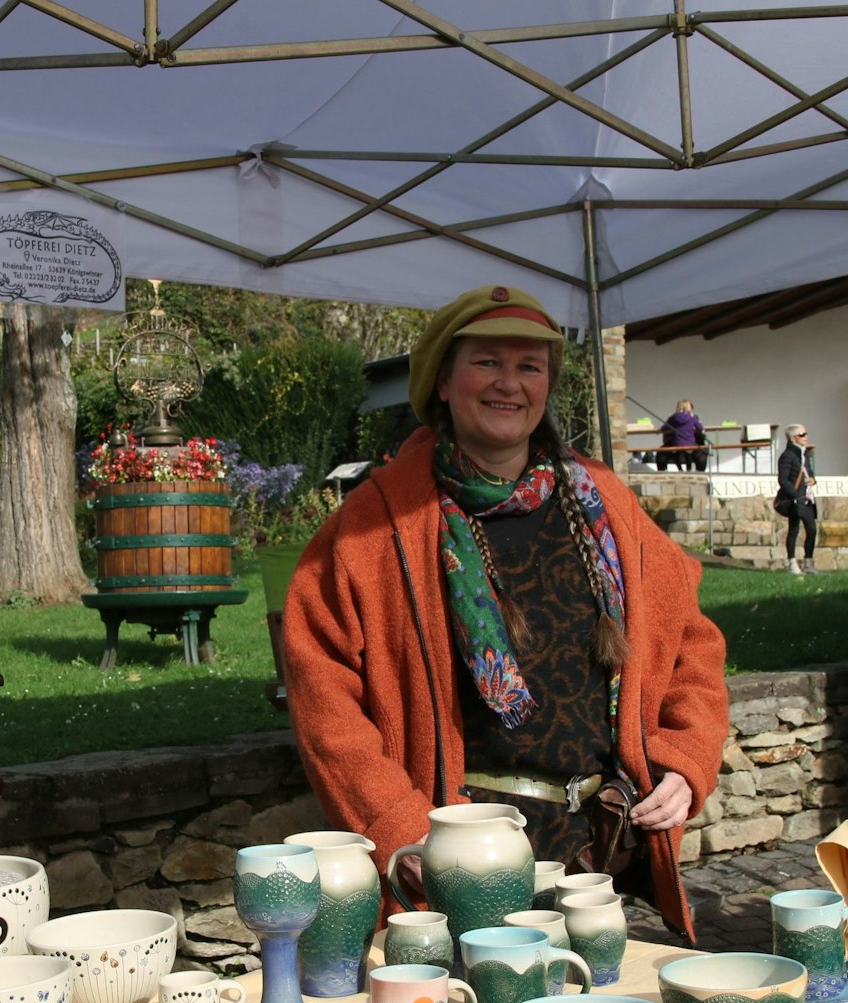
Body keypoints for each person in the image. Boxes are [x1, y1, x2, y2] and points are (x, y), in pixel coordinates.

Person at [281, 284, 730, 939]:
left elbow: (692, 638)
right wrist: (400, 830)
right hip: (460, 867)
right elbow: (323, 694)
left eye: (530, 366)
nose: (509, 384)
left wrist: (687, 758)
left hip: (598, 860)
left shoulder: (603, 502)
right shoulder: (377, 525)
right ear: (442, 381)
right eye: (487, 362)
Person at [776, 424, 818, 576]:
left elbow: (809, 472)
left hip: (806, 498)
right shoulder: (787, 456)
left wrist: (813, 480)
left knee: (812, 530)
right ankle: (792, 562)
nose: (806, 436)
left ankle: (808, 562)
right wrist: (795, 493)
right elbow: (783, 479)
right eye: (802, 434)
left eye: (806, 433)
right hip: (795, 499)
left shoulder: (803, 454)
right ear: (794, 438)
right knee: (794, 529)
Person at [658, 399, 708, 472]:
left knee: (700, 451)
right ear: (689, 408)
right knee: (663, 452)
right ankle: (697, 471)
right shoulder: (693, 418)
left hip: (676, 443)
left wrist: (660, 431)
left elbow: (664, 427)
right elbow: (701, 428)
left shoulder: (673, 417)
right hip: (689, 443)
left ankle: (679, 469)